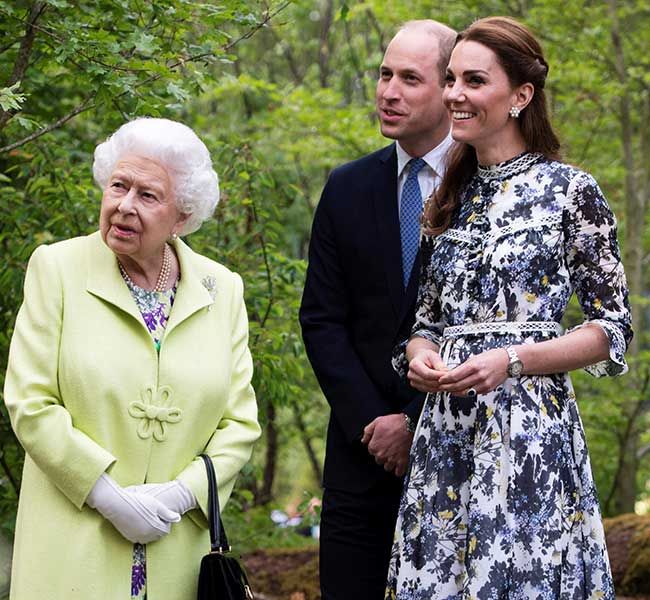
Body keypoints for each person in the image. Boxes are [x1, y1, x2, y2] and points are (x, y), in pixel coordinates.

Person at [386, 16, 632, 599]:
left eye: (474, 81)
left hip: (528, 434)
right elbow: (424, 324)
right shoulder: (448, 194)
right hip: (445, 435)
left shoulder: (570, 190)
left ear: (521, 95)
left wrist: (513, 360)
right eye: (450, 79)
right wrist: (421, 357)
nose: (454, 95)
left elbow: (612, 329)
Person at [3, 117, 261, 600]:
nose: (123, 205)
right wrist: (105, 494)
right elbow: (30, 400)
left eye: (147, 195)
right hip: (73, 545)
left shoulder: (221, 288)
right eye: (118, 186)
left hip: (177, 548)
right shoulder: (56, 269)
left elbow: (239, 422)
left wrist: (181, 494)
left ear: (182, 217)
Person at [299, 20, 457, 600]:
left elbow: (494, 323)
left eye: (409, 79)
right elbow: (320, 318)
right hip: (358, 452)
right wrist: (376, 423)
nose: (388, 91)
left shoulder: (489, 186)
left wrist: (414, 421)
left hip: (458, 448)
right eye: (384, 74)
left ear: (450, 89)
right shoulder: (346, 186)